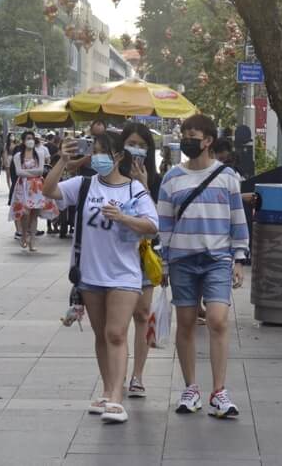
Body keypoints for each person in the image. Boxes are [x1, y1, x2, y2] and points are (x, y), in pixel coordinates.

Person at [42, 131, 159, 424]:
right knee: (100, 335)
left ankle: (117, 398)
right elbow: (48, 190)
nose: (96, 157)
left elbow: (152, 225)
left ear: (118, 156)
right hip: (90, 274)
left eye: (101, 152)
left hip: (125, 274)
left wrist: (123, 218)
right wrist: (62, 161)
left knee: (116, 333)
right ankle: (107, 390)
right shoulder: (83, 185)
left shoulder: (134, 190)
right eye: (93, 152)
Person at [158, 114, 249, 419]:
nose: (187, 139)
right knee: (184, 322)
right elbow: (165, 225)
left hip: (216, 259)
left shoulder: (227, 176)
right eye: (184, 133)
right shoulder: (171, 178)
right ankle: (191, 388)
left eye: (193, 134)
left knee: (218, 320)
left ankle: (219, 391)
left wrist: (239, 258)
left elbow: (238, 219)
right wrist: (165, 263)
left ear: (208, 140)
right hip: (182, 259)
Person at [120, 122, 162, 400]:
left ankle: (138, 375)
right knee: (119, 317)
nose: (136, 149)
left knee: (142, 314)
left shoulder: (157, 179)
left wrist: (145, 186)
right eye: (132, 143)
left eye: (142, 145)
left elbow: (159, 221)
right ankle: (117, 373)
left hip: (145, 255)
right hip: (118, 256)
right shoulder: (112, 176)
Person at [10, 131, 57, 251]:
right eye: (28, 138)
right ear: (23, 141)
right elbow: (18, 172)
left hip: (37, 187)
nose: (30, 141)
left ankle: (32, 240)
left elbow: (41, 171)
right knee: (25, 213)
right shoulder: (18, 155)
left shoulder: (39, 153)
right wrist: (32, 172)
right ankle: (24, 234)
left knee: (34, 214)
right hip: (23, 187)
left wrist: (27, 173)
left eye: (32, 138)